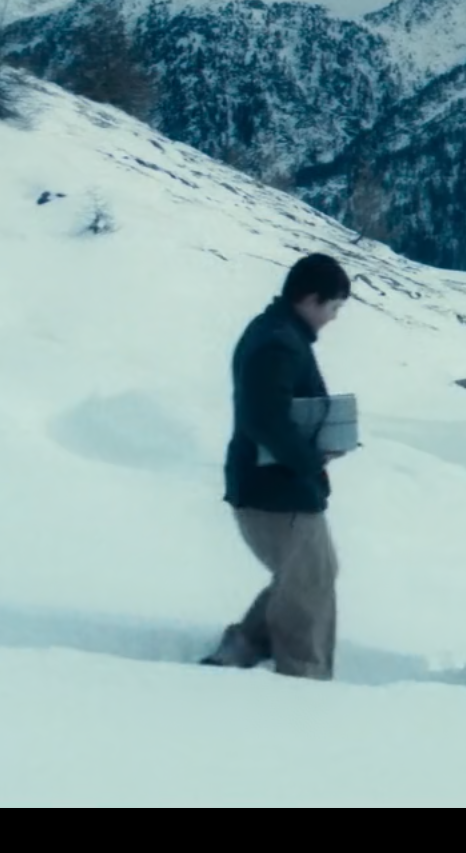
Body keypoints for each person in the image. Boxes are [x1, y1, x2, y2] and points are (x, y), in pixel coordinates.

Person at [204, 253, 351, 679]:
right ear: (309, 298)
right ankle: (301, 677)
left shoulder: (279, 333)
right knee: (310, 580)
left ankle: (243, 646)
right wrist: (310, 458)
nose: (334, 317)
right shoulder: (279, 342)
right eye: (333, 306)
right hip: (274, 489)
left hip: (271, 483)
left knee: (308, 574)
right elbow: (264, 418)